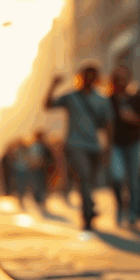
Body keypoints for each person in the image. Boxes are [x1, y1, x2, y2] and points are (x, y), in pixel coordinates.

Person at [44, 64, 113, 230]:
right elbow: (48, 105)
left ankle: (89, 207)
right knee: (84, 176)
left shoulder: (102, 99)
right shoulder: (70, 97)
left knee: (89, 180)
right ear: (80, 77)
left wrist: (108, 147)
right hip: (75, 145)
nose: (89, 79)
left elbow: (109, 124)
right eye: (86, 75)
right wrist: (53, 85)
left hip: (94, 146)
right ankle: (88, 213)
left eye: (92, 76)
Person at [107, 65, 140, 227]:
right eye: (116, 80)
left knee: (133, 180)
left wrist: (133, 118)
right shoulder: (108, 100)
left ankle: (132, 214)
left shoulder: (136, 99)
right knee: (117, 177)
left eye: (122, 80)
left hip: (134, 143)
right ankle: (121, 207)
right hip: (115, 144)